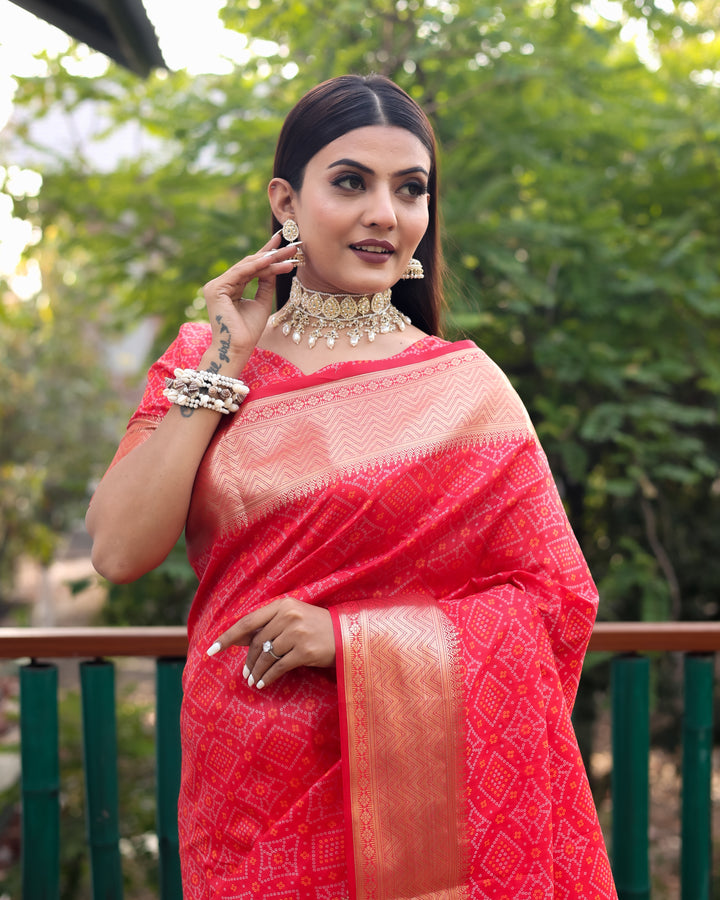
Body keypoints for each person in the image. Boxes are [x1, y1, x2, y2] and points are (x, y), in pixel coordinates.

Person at [86, 74, 617, 900]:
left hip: (424, 781)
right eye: (350, 182)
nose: (385, 213)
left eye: (411, 190)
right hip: (248, 772)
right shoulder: (208, 356)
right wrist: (225, 358)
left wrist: (354, 641)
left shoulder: (465, 387)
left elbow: (555, 601)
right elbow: (119, 549)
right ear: (285, 202)